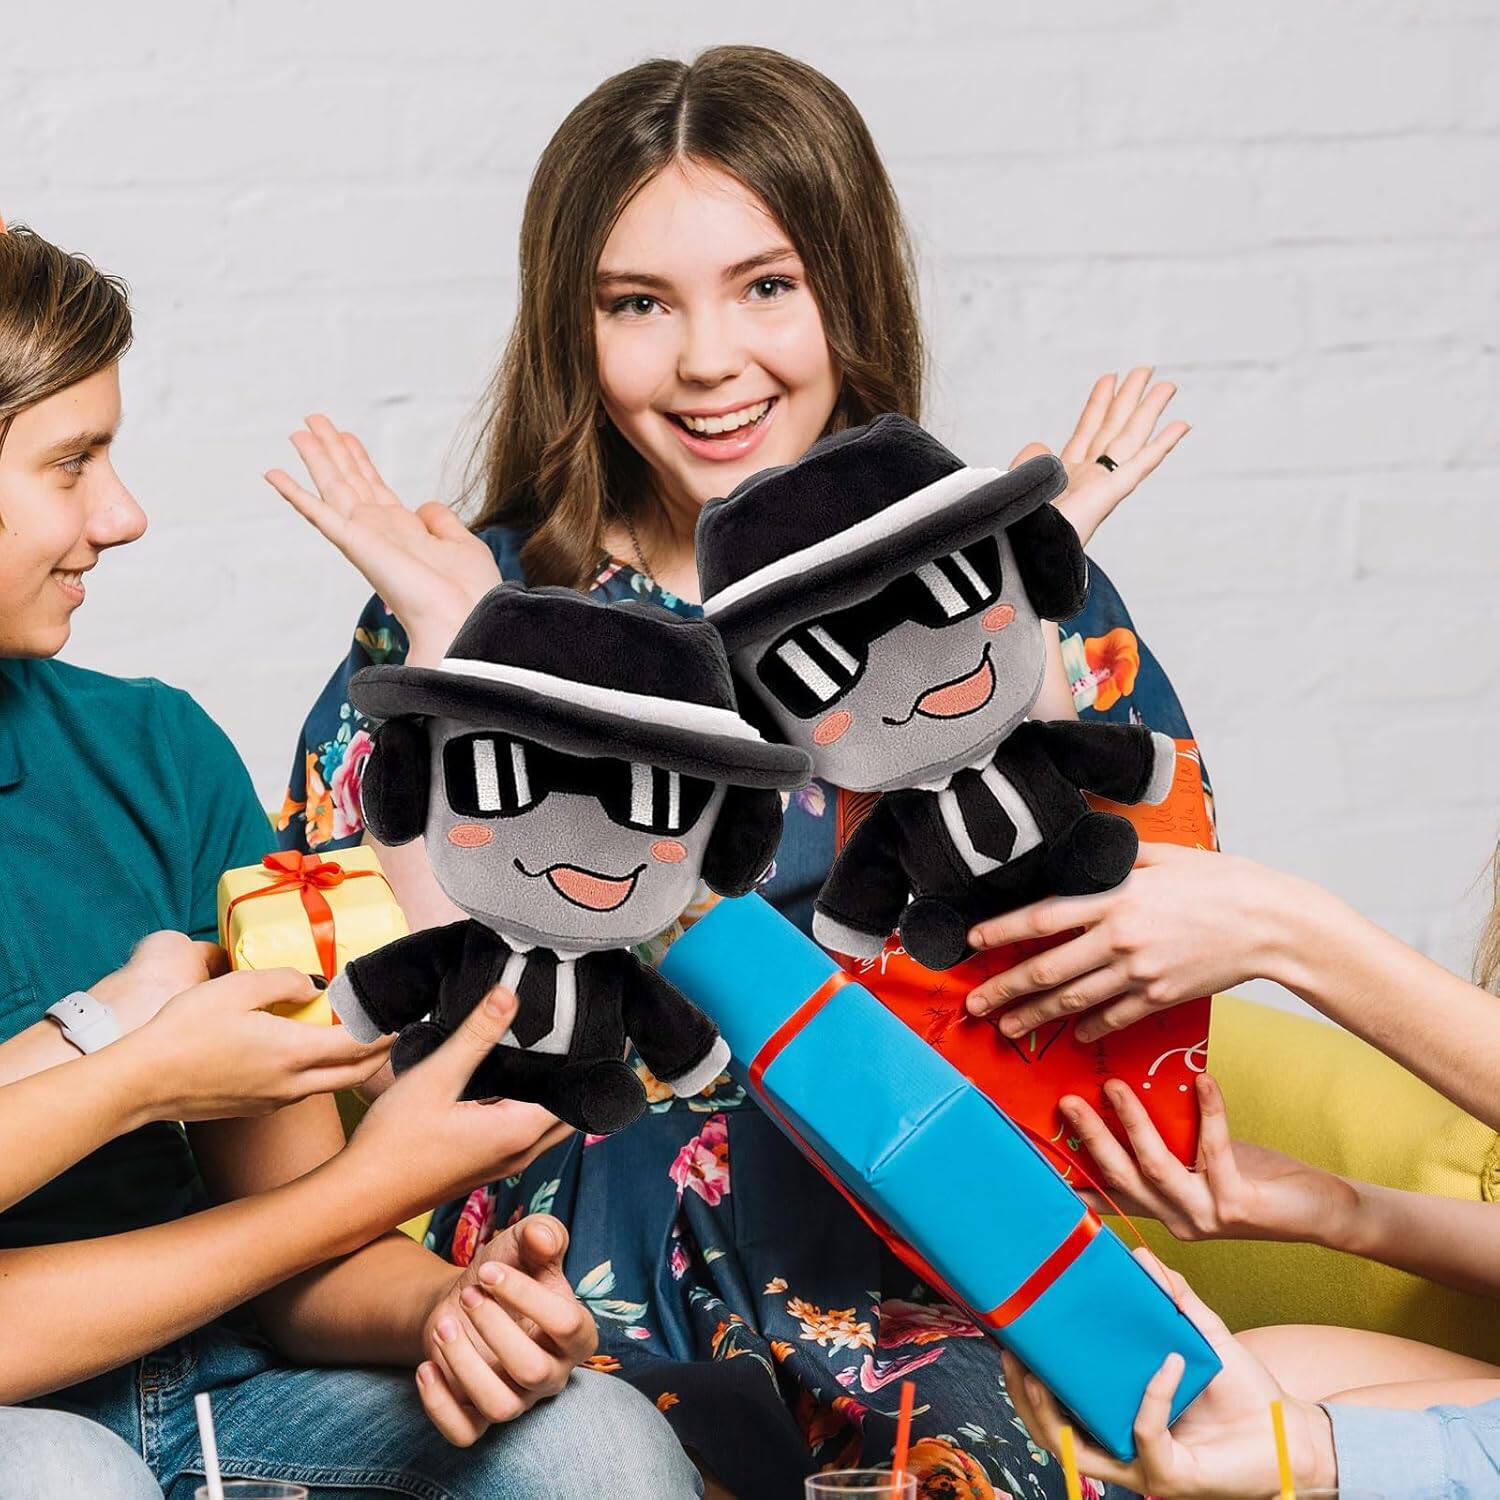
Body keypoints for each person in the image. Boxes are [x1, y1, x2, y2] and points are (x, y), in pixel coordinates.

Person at [271, 46, 1196, 1498]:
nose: (709, 360)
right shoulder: (456, 601)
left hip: (924, 1256)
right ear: (573, 330)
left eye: (767, 286)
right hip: (566, 1285)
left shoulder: (996, 586)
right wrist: (472, 666)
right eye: (639, 304)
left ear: (850, 289)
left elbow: (1136, 962)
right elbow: (383, 1034)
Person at [0, 220, 702, 1499]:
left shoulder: (154, 753)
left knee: (592, 1438)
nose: (124, 514)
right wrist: (132, 1065)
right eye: (71, 462)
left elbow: (297, 1265)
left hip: (226, 1397)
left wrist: (457, 1309)